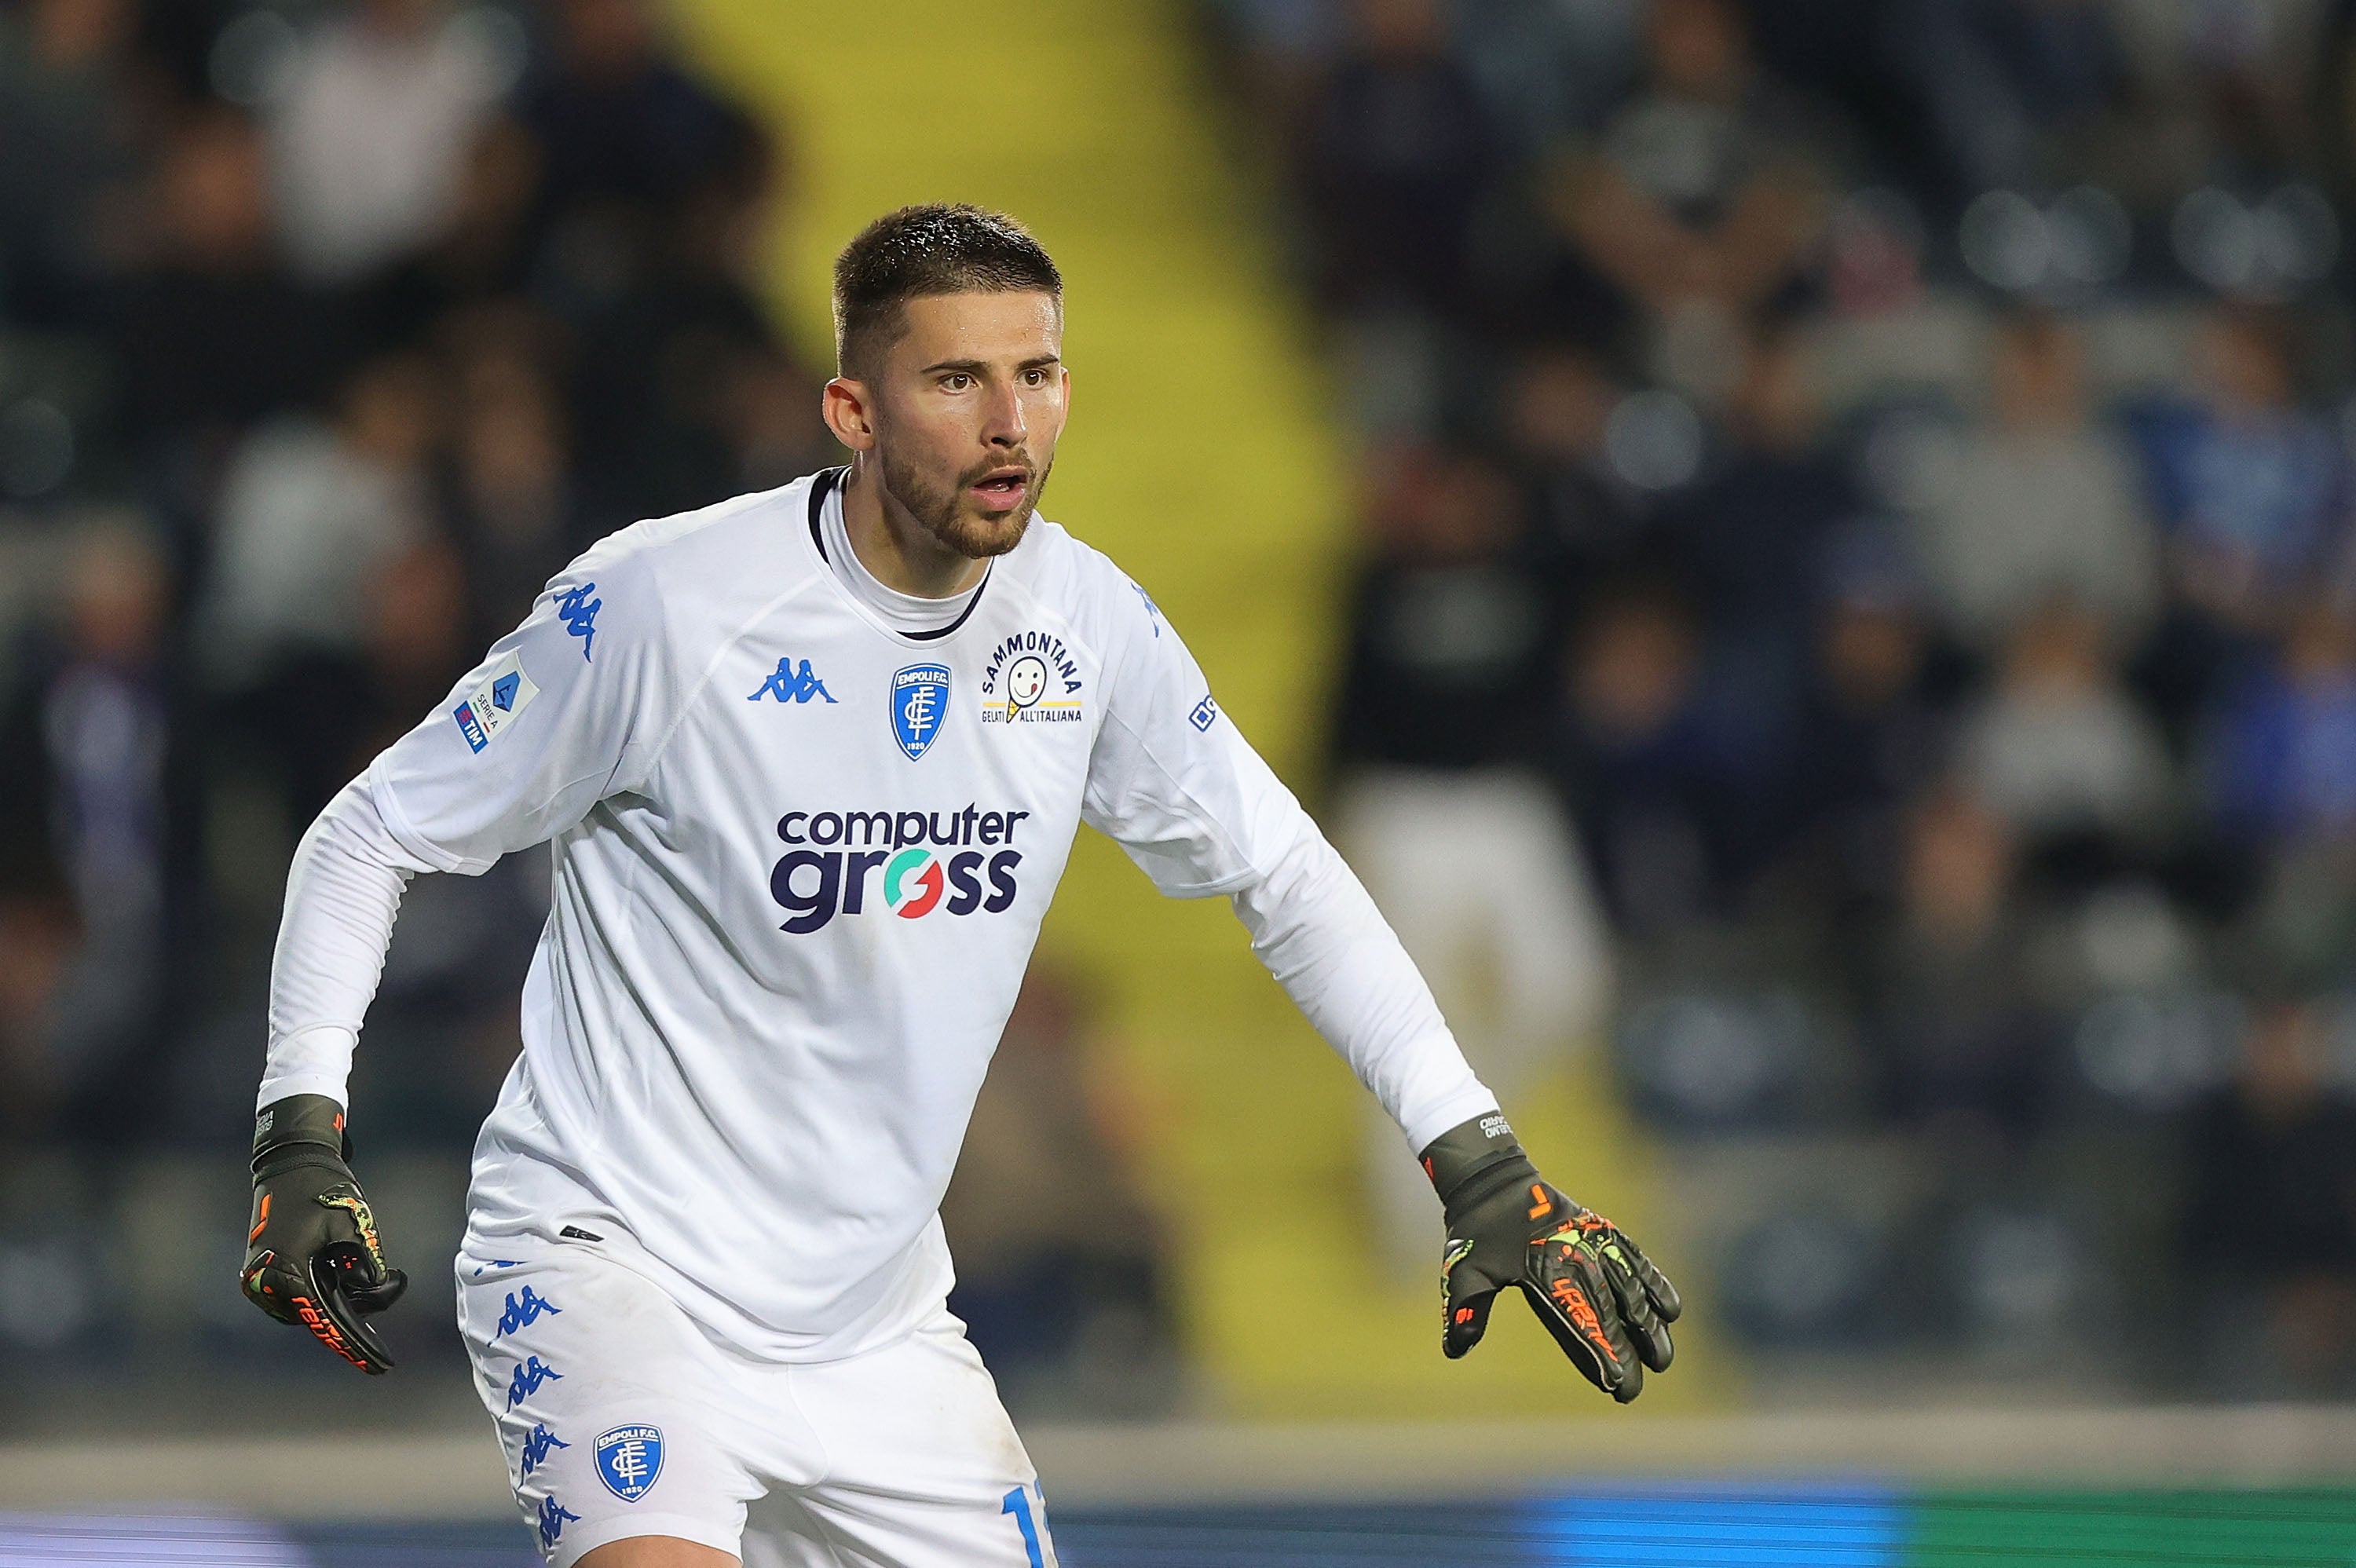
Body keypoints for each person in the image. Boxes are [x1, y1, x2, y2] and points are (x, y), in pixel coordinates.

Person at [236, 206, 1680, 1568]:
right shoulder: (663, 608)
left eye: (1039, 373)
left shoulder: (1088, 627)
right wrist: (301, 1133)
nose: (1011, 422)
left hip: (875, 1323)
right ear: (852, 412)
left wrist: (1476, 1156)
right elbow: (369, 833)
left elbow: (1286, 875)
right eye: (958, 380)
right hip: (614, 1265)